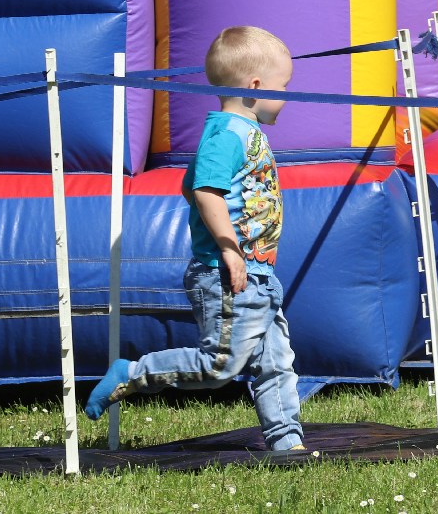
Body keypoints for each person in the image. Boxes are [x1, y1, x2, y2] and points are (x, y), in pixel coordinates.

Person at [84, 26, 305, 451]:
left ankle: (286, 441)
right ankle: (132, 374)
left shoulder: (245, 132)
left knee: (276, 362)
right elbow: (205, 191)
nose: (288, 96)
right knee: (219, 365)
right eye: (284, 86)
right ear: (255, 87)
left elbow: (192, 183)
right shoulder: (227, 134)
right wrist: (227, 246)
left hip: (257, 273)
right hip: (227, 274)